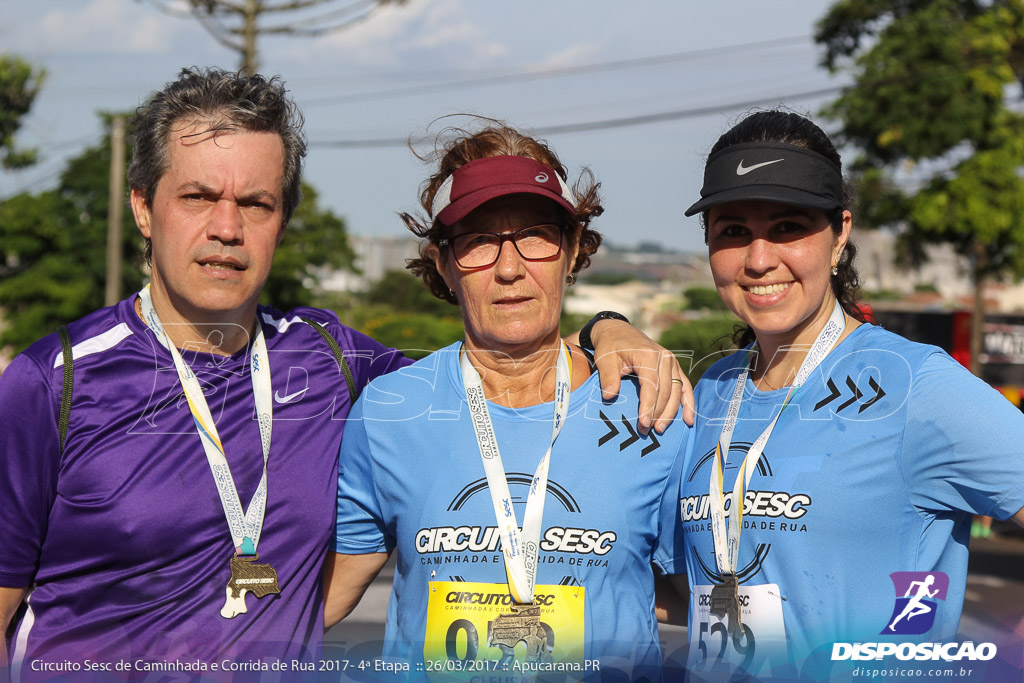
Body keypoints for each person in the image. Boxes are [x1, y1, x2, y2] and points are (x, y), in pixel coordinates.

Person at [0, 69, 687, 679]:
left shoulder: (329, 358)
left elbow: (501, 372)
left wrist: (607, 328)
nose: (226, 227)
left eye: (258, 204)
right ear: (144, 207)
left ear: (283, 219)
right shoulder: (49, 384)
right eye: (198, 197)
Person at [323, 125, 690, 680]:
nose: (510, 267)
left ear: (572, 252)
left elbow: (712, 593)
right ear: (443, 264)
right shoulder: (389, 410)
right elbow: (330, 590)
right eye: (478, 242)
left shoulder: (651, 409)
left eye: (537, 237)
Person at [675, 110, 1024, 679]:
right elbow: (683, 583)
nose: (759, 259)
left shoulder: (916, 386)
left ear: (840, 235)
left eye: (788, 227)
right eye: (734, 231)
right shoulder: (712, 389)